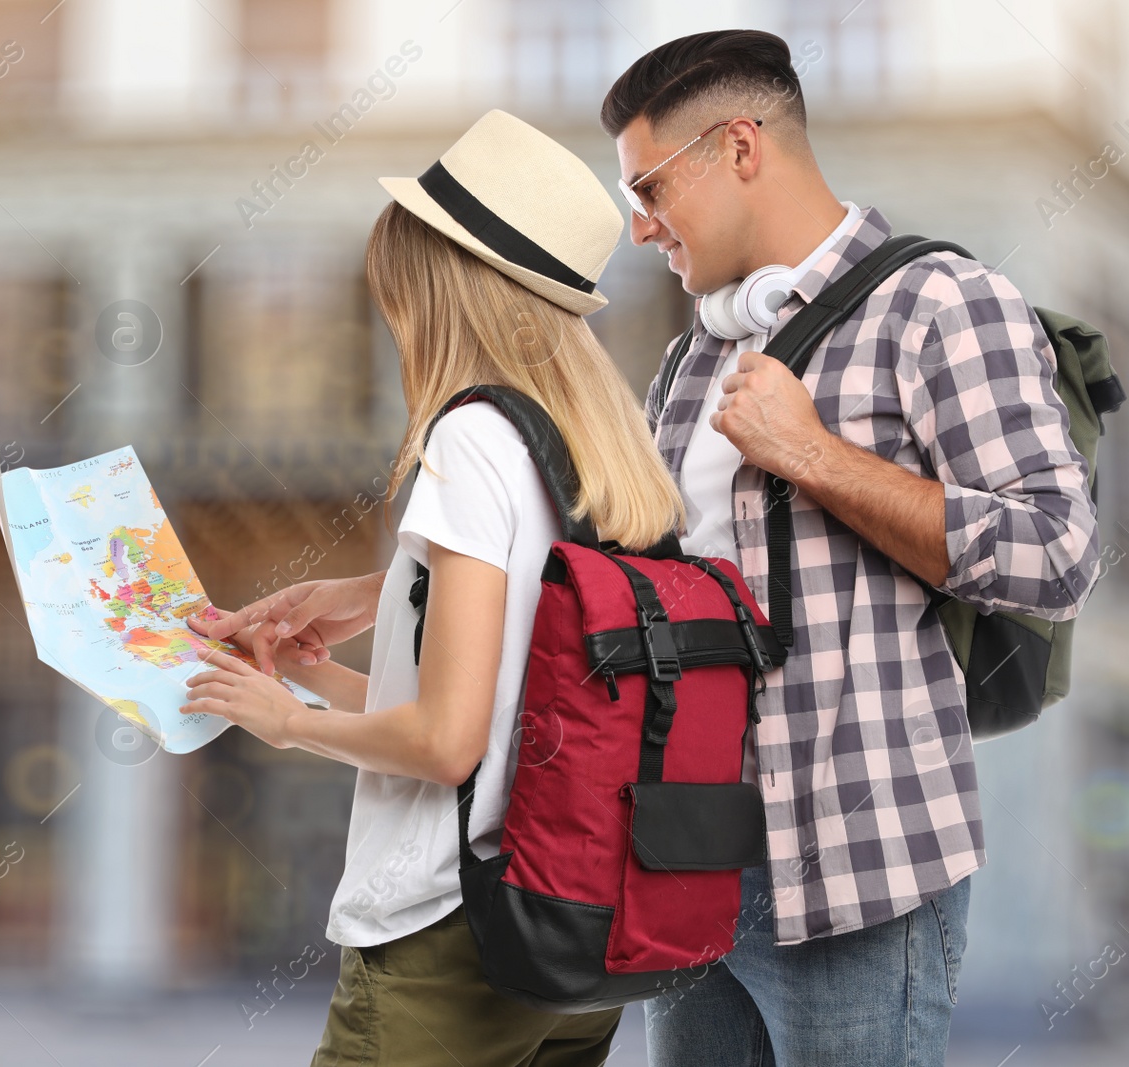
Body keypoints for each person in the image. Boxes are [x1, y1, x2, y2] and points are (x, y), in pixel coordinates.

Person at [206, 29, 1104, 1067]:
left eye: (650, 188)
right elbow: (626, 583)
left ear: (738, 147)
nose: (637, 230)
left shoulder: (941, 304)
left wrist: (811, 455)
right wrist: (391, 588)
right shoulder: (692, 356)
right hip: (685, 862)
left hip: (860, 869)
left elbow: (1056, 551)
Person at [182, 109, 686, 1066]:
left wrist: (280, 719)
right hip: (575, 934)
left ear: (438, 289)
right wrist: (323, 661)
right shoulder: (607, 454)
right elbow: (510, 711)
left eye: (398, 288)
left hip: (446, 939)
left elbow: (446, 744)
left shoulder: (469, 440)